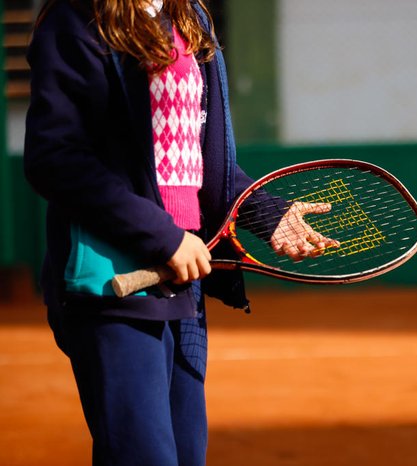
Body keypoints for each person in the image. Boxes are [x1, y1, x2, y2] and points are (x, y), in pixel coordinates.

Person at [23, 1, 334, 464]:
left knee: (188, 454)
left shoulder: (190, 16)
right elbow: (54, 158)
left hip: (184, 283)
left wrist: (267, 215)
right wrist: (163, 239)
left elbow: (202, 160)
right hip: (109, 284)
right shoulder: (78, 18)